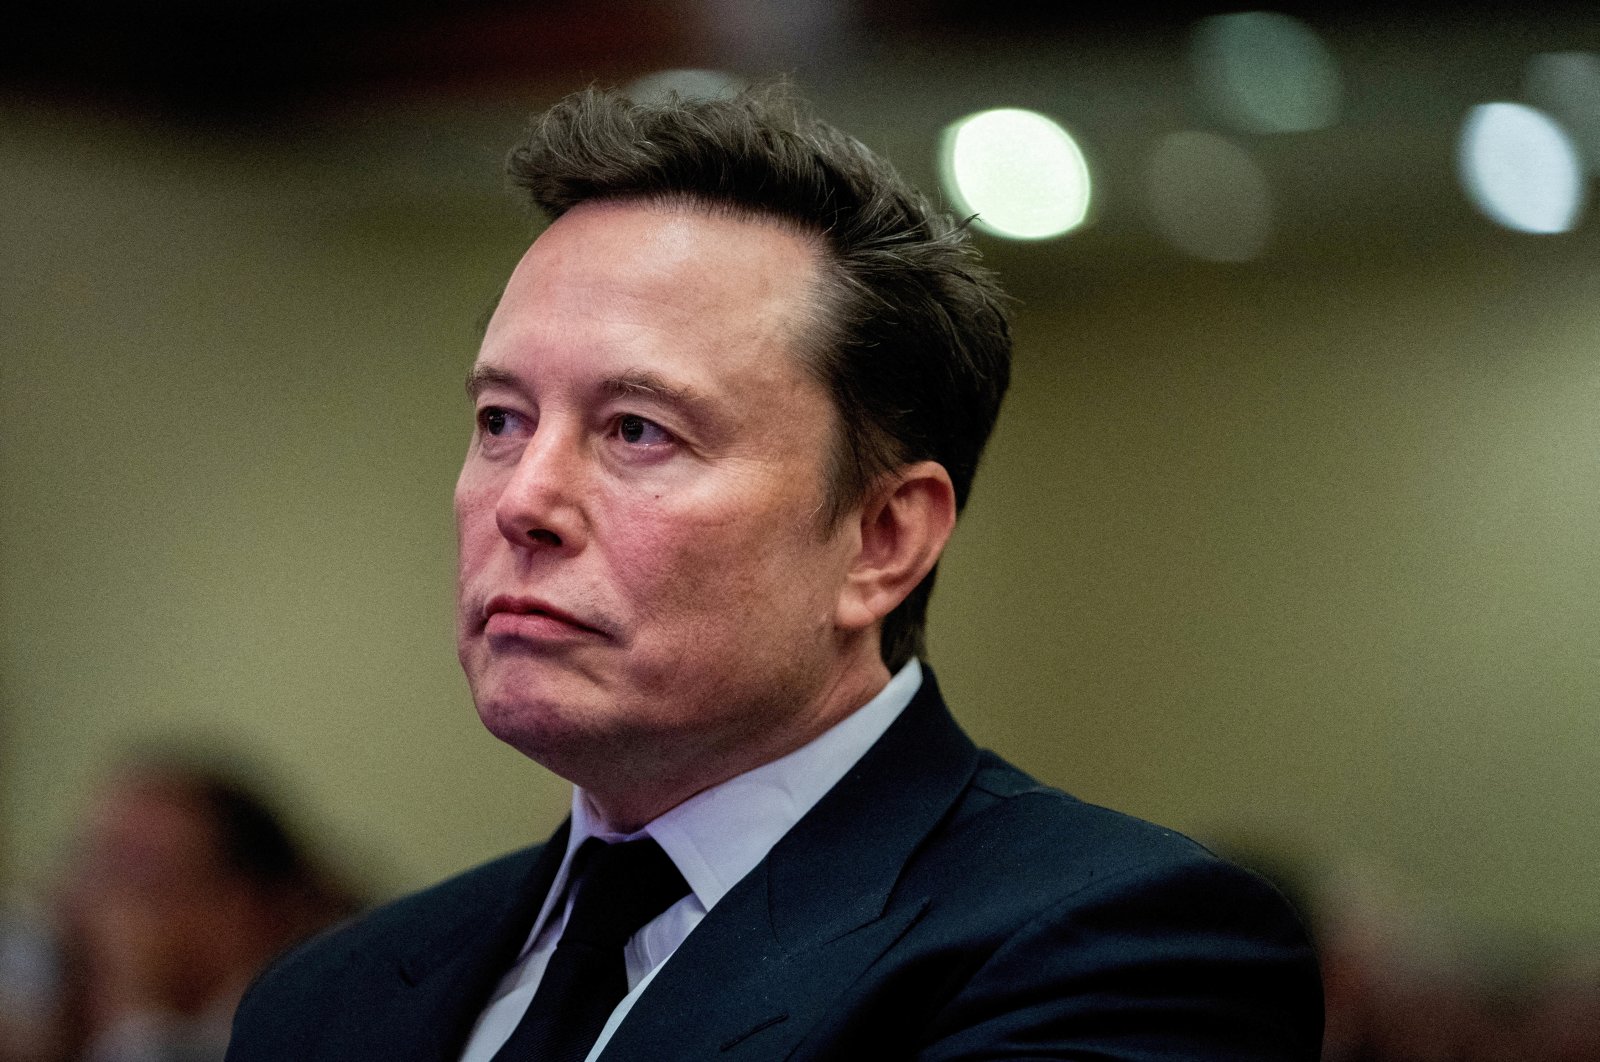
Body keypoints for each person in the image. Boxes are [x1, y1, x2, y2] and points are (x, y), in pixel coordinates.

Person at [226, 84, 1322, 1060]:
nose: (521, 501)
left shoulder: (1120, 955)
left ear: (882, 539)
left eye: (638, 430)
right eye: (502, 418)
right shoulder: (323, 998)